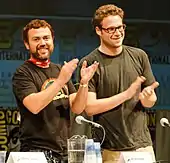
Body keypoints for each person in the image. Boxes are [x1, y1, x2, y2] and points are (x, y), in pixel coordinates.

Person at [77, 4, 159, 163]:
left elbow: (150, 102)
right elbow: (90, 107)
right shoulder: (89, 63)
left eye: (120, 27)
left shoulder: (139, 56)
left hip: (142, 146)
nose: (118, 33)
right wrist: (126, 95)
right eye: (111, 29)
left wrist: (147, 97)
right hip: (110, 149)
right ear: (98, 31)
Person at [12, 19, 98, 163]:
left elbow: (77, 107)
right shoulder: (23, 73)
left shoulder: (59, 70)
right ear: (27, 44)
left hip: (63, 151)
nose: (42, 43)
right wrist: (60, 81)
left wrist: (84, 83)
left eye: (46, 38)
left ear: (52, 40)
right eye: (36, 39)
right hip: (35, 152)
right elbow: (34, 106)